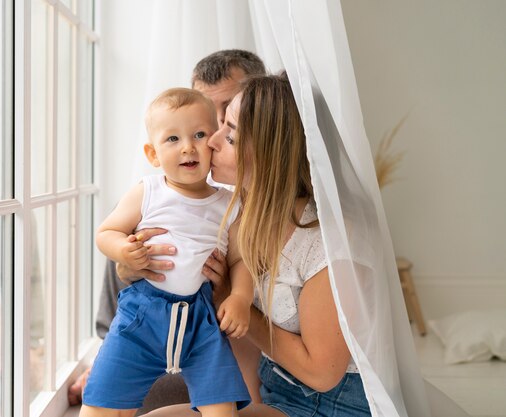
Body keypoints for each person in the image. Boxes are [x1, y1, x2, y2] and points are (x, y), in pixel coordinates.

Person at [142, 74, 372, 416]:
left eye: (231, 136)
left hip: (332, 405)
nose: (212, 141)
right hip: (273, 388)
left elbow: (323, 374)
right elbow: (239, 340)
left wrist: (234, 303)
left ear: (270, 154)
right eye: (220, 126)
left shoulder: (326, 242)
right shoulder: (234, 213)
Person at [68, 49, 266, 407]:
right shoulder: (149, 199)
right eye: (176, 136)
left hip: (216, 345)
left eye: (224, 119)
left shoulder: (244, 208)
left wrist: (233, 295)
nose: (211, 139)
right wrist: (127, 261)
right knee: (107, 390)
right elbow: (111, 245)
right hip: (147, 338)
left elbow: (243, 266)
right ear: (154, 152)